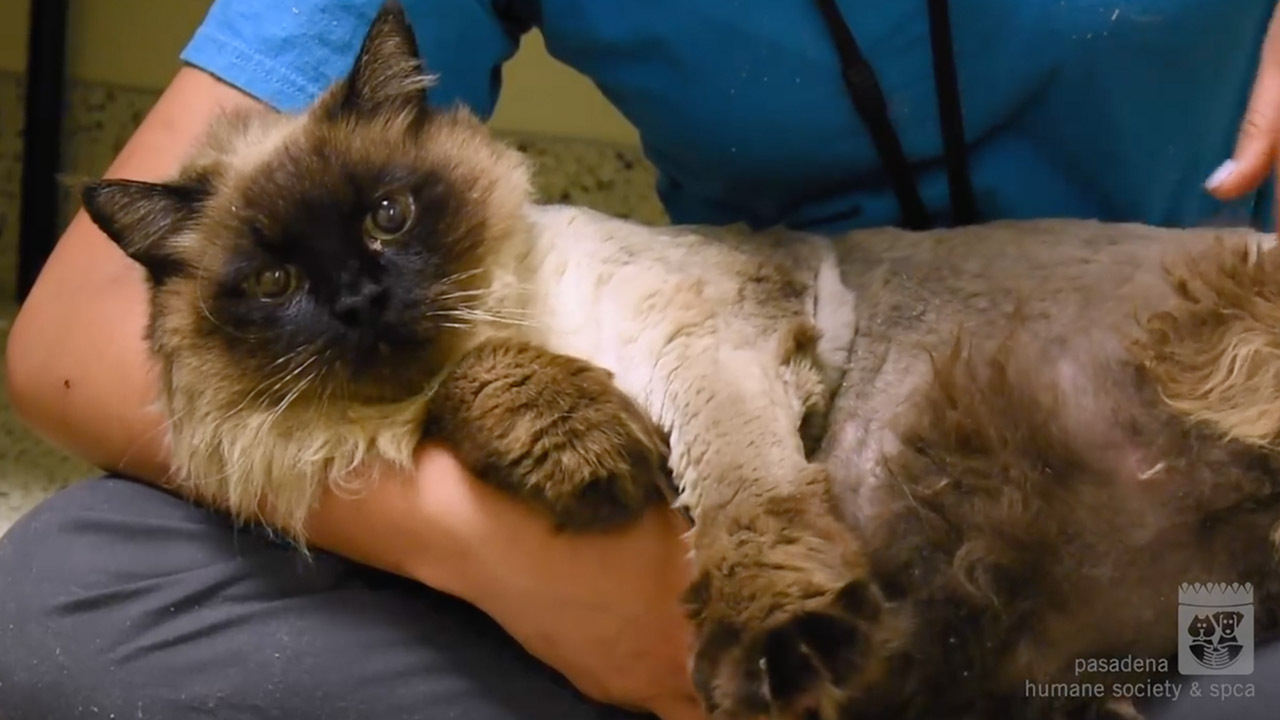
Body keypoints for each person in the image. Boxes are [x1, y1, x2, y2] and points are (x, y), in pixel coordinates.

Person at [3, 1, 1280, 718]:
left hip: (1163, 412)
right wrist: (513, 569)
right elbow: (72, 336)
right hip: (766, 406)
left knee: (1212, 664)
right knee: (64, 611)